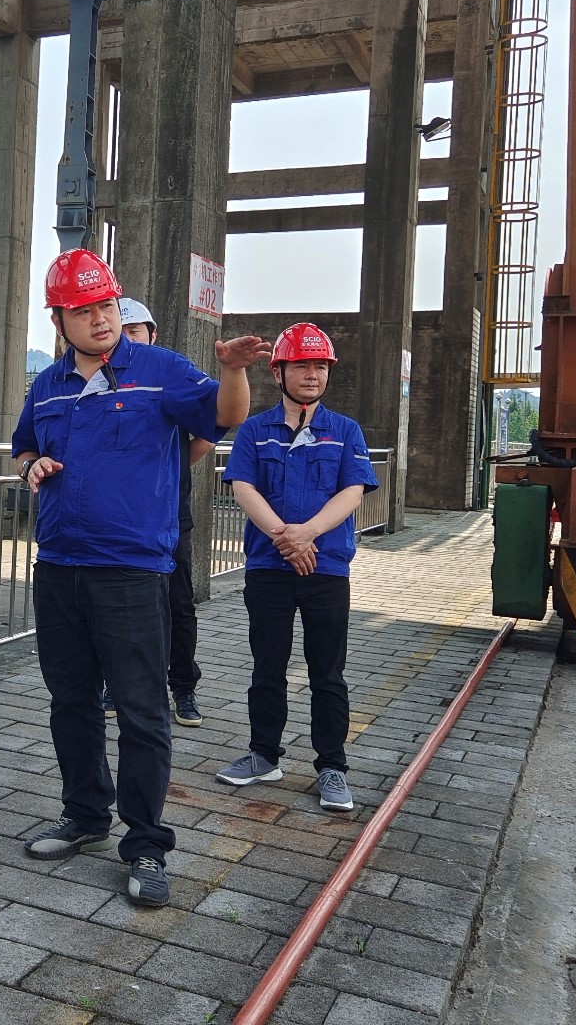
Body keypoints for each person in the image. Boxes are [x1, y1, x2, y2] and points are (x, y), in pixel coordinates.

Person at [12, 249, 270, 908]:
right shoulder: (48, 384)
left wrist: (233, 370)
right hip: (60, 567)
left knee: (141, 710)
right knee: (71, 701)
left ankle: (147, 842)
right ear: (58, 320)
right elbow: (25, 445)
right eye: (83, 310)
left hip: (132, 572)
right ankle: (84, 814)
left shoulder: (159, 370)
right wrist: (31, 465)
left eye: (106, 305)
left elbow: (225, 417)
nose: (100, 319)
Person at [214, 322, 376, 813]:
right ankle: (264, 755)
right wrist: (286, 537)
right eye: (302, 365)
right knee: (268, 667)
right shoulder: (255, 430)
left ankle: (332, 766)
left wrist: (307, 534)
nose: (312, 374)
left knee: (328, 672)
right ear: (278, 372)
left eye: (320, 366)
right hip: (269, 567)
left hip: (327, 568)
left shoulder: (344, 431)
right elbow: (243, 487)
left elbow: (353, 491)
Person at [99, 297, 219, 728]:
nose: (128, 338)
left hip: (168, 518)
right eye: (124, 331)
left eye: (136, 331)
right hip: (116, 522)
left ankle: (183, 686)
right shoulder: (96, 379)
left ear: (152, 335)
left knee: (178, 605)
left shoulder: (168, 375)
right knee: (118, 608)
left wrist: (169, 465)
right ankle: (116, 684)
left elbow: (210, 428)